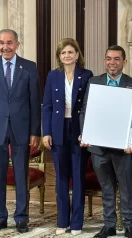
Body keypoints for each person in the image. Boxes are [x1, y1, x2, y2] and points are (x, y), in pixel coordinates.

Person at [0, 29, 41, 233]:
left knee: (21, 173)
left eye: (9, 43)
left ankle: (21, 218)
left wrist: (35, 131)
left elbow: (34, 101)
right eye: (1, 43)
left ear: (17, 44)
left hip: (22, 129)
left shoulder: (29, 67)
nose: (5, 47)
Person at [79, 45, 132, 238]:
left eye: (116, 59)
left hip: (123, 148)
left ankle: (129, 225)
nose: (112, 62)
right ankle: (109, 225)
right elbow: (85, 111)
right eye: (108, 58)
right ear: (104, 61)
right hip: (98, 148)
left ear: (124, 62)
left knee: (126, 187)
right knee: (106, 188)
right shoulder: (94, 81)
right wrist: (85, 133)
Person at [42, 38, 93, 236]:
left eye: (71, 52)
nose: (67, 56)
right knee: (61, 177)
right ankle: (62, 221)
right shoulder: (53, 76)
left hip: (79, 130)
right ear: (59, 56)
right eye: (63, 53)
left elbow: (90, 106)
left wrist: (88, 131)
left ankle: (77, 223)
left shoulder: (86, 75)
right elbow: (46, 106)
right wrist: (46, 132)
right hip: (58, 129)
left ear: (77, 55)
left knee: (78, 177)